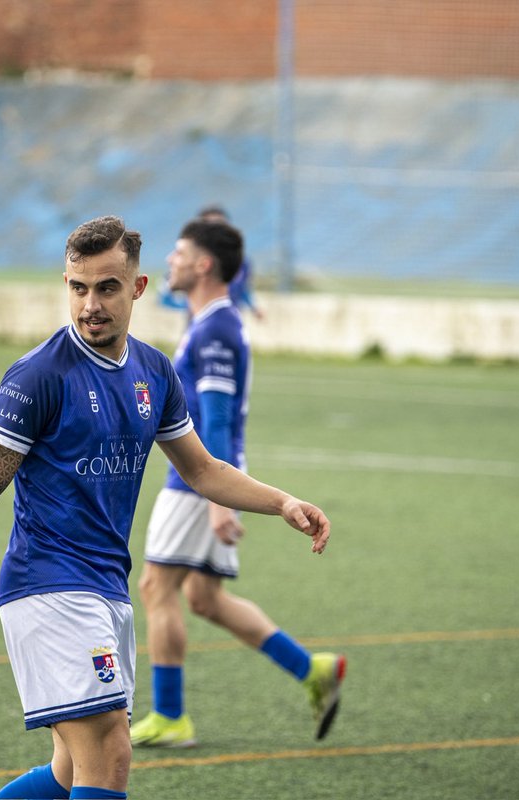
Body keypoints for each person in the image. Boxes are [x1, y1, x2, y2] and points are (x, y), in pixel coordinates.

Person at [0, 216, 336, 800]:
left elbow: (202, 469)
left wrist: (282, 501)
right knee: (109, 750)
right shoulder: (37, 376)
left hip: (107, 586)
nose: (90, 305)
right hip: (47, 585)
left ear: (137, 288)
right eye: (78, 288)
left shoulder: (154, 371)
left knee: (70, 769)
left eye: (107, 288)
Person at [130, 219, 345, 750]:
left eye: (180, 252)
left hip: (198, 481)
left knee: (156, 588)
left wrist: (215, 501)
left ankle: (171, 717)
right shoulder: (210, 322)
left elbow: (219, 419)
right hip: (208, 479)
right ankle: (313, 670)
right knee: (204, 597)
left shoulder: (216, 330)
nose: (171, 260)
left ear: (204, 265)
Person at [159, 205, 264, 322]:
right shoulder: (186, 261)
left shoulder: (241, 263)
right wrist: (189, 306)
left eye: (220, 226)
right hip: (199, 317)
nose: (170, 259)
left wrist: (253, 306)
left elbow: (243, 288)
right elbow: (165, 297)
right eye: (209, 226)